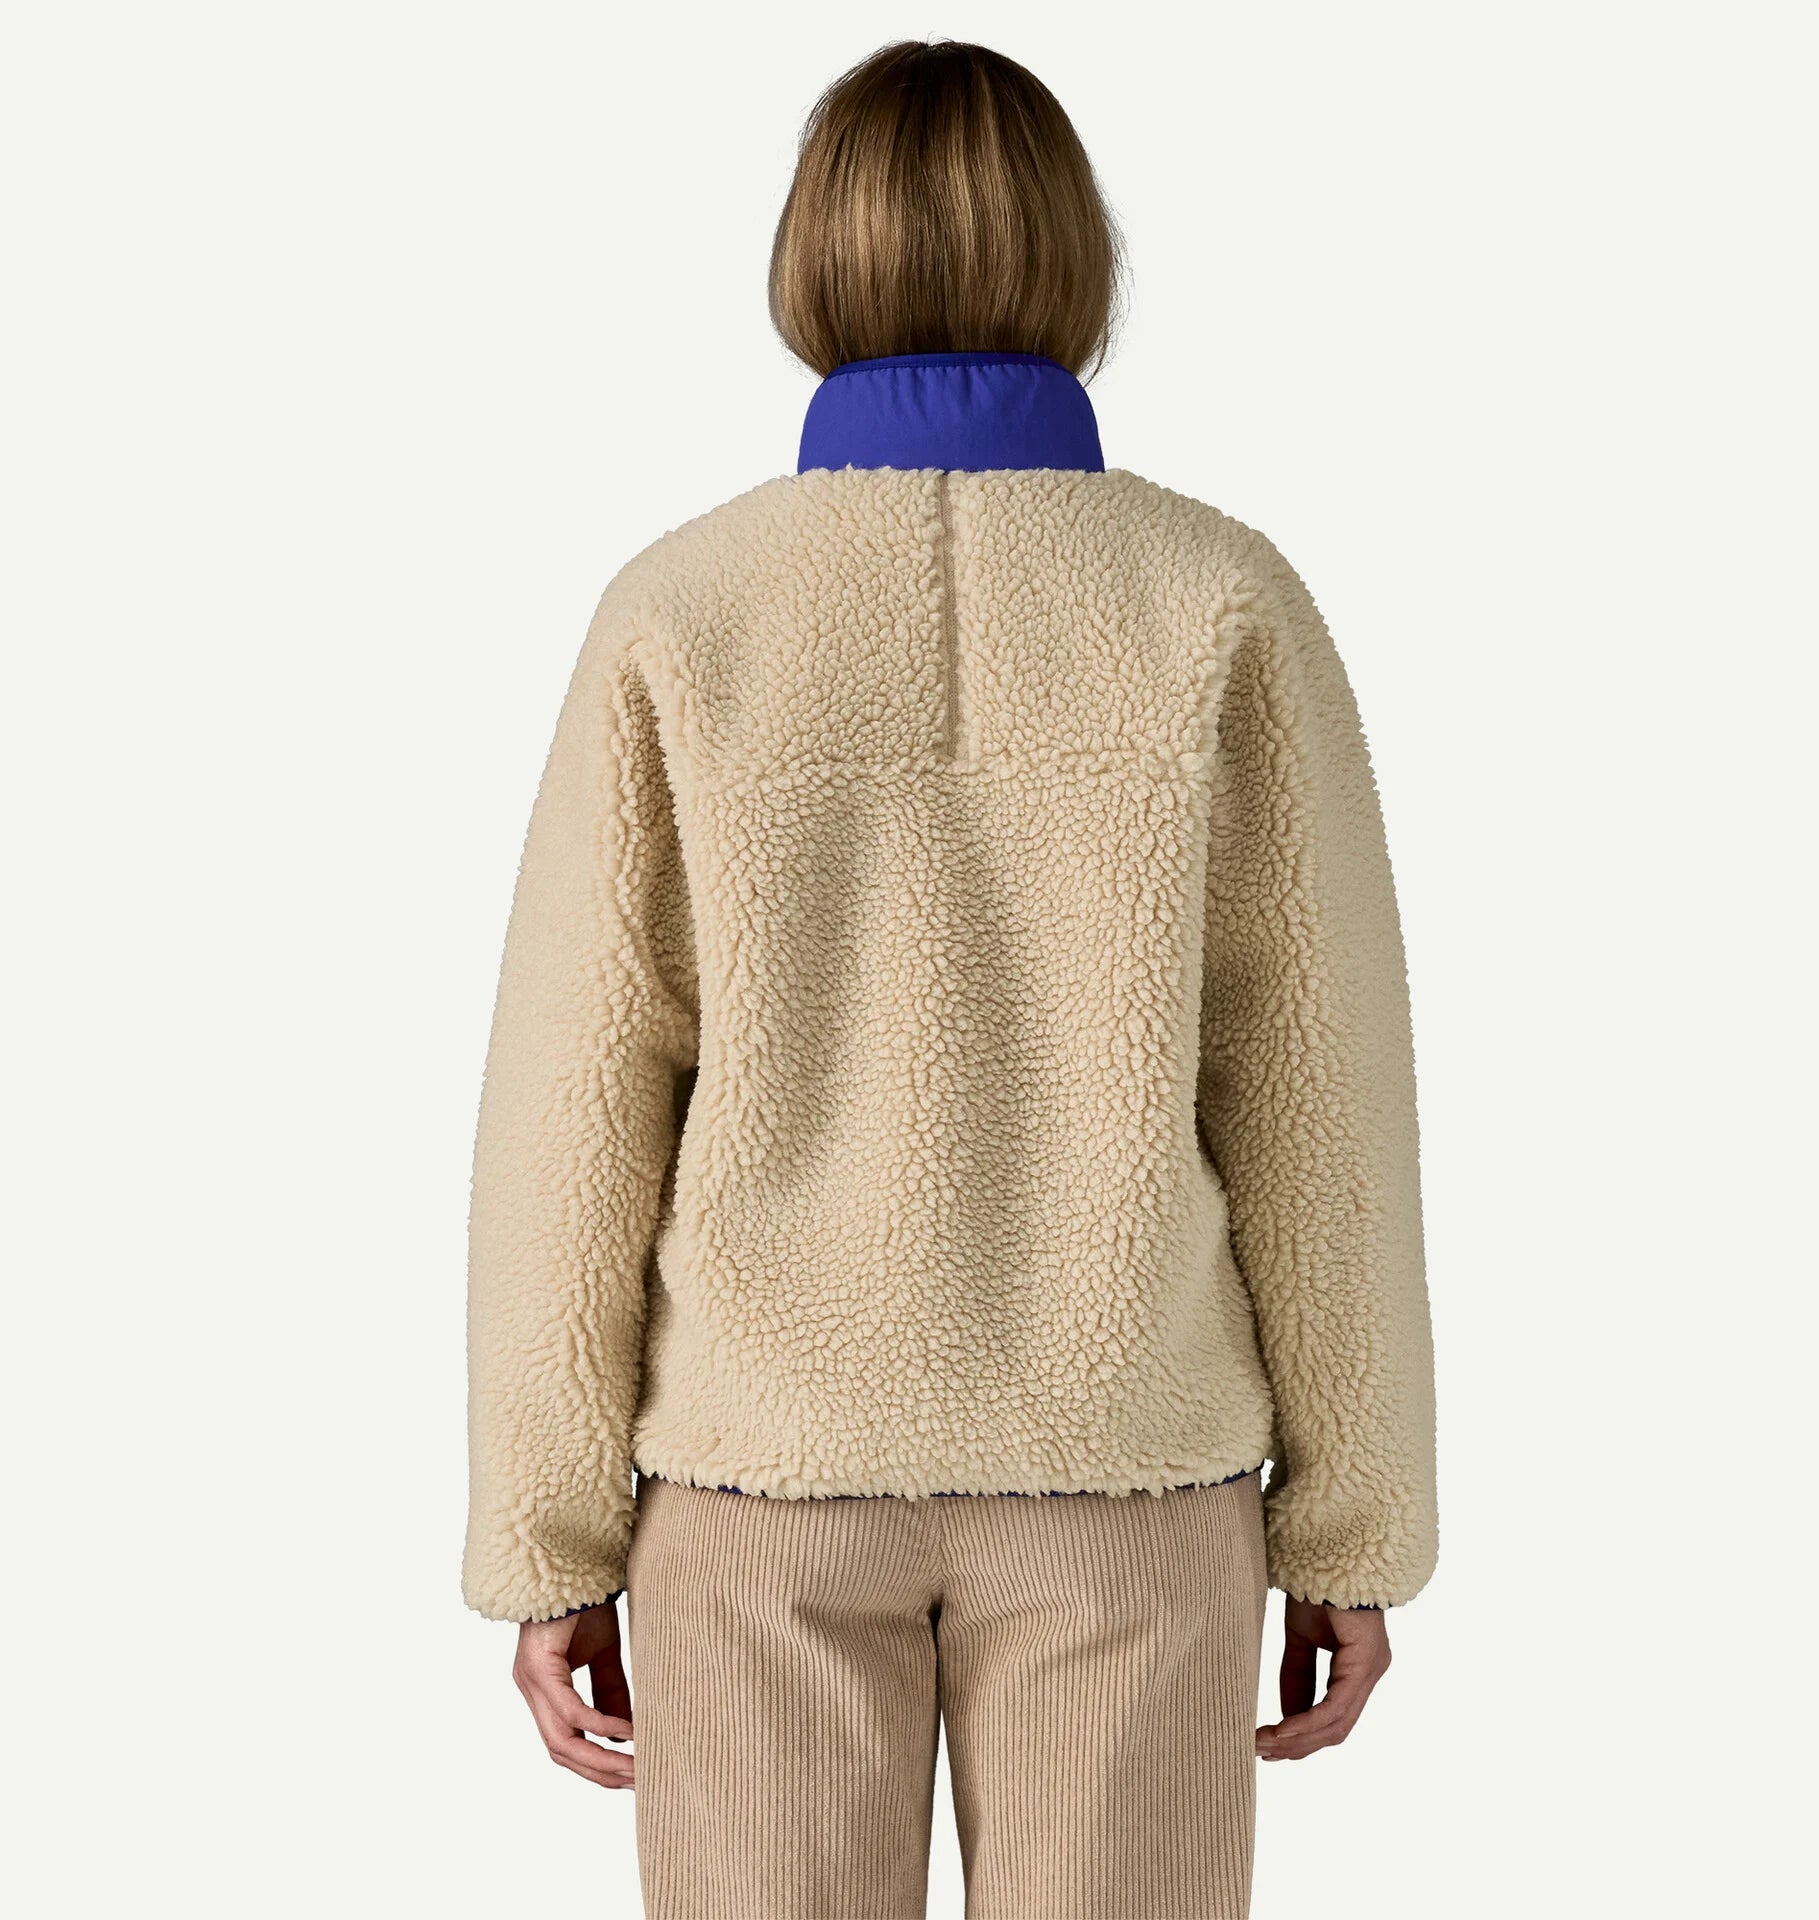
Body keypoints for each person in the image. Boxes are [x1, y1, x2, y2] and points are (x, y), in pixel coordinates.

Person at [463, 38, 1437, 1920]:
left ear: (809, 258)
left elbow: (577, 1093)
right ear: (1079, 253)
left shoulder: (684, 610)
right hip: (1128, 1472)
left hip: (760, 1481)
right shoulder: (1218, 599)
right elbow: (1322, 1088)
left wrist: (547, 1536)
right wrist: (1353, 1520)